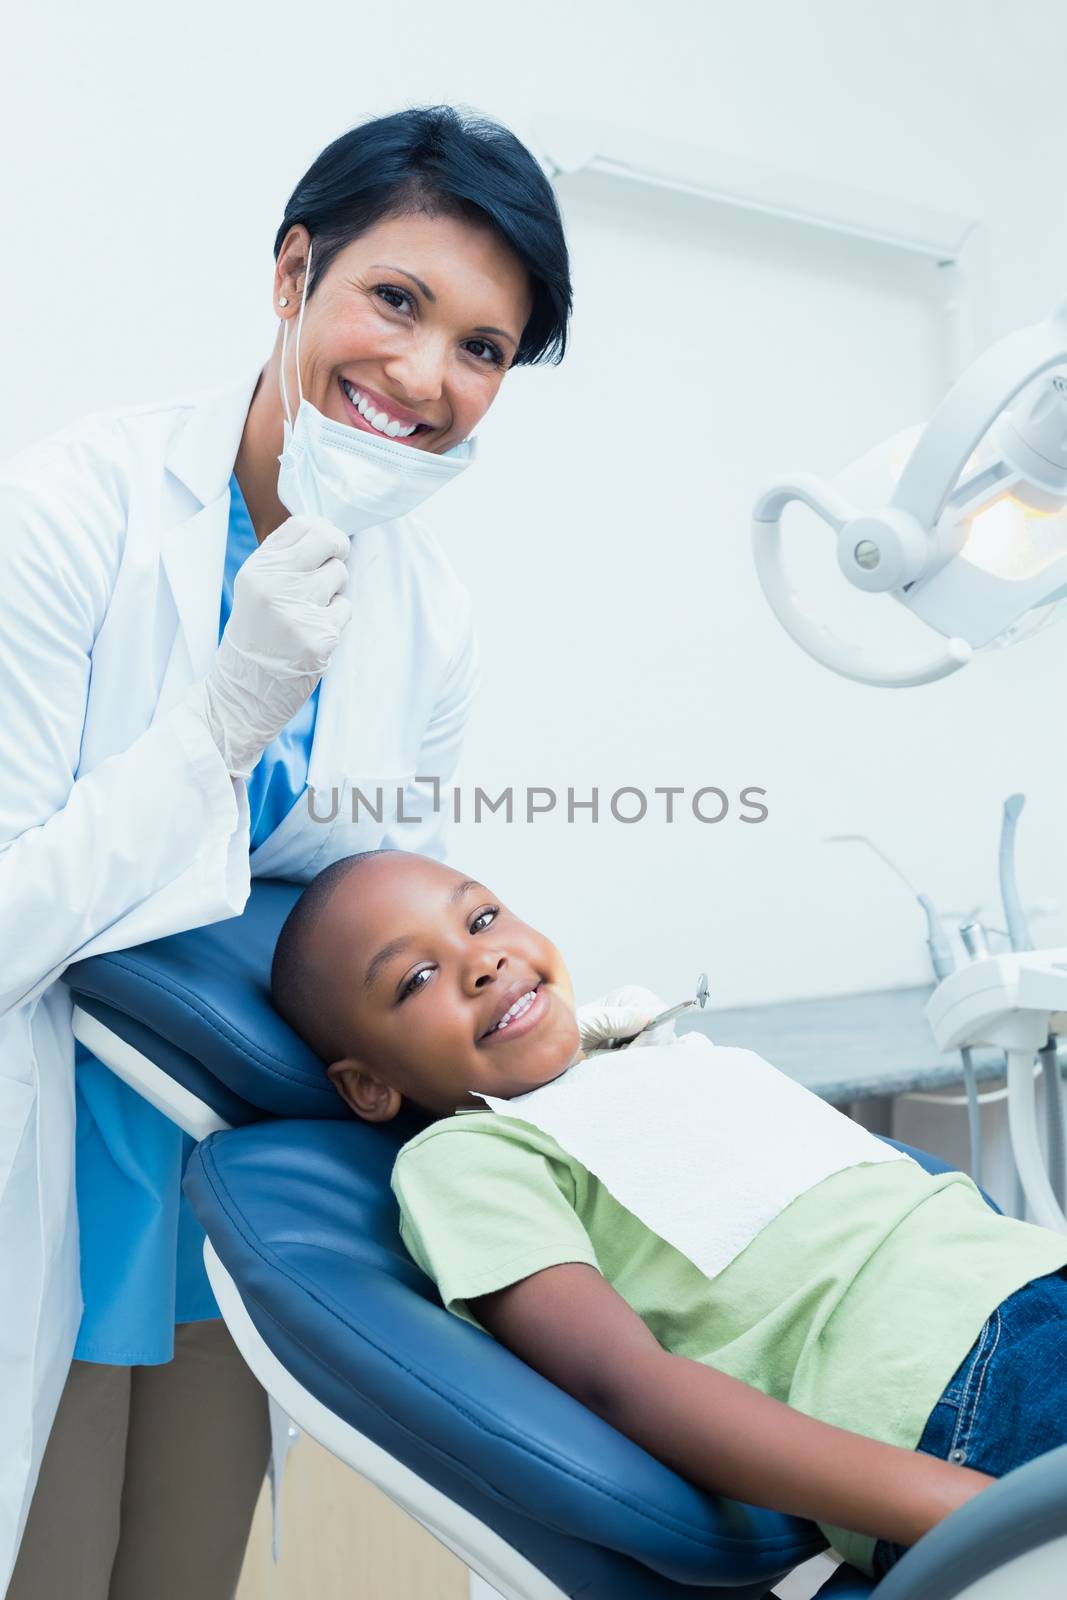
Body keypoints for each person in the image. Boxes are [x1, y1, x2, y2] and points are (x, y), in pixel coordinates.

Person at [0, 105, 571, 1597]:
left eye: (482, 350)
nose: (422, 377)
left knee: (182, 1574)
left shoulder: (427, 608)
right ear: (292, 274)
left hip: (245, 1193)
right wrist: (222, 719)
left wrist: (522, 1013)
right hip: (40, 1160)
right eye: (395, 301)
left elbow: (390, 925)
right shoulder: (73, 513)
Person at [268, 848, 1067, 1583]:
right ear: (368, 1085)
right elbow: (624, 1382)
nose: (482, 963)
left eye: (481, 920)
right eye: (414, 979)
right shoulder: (471, 1154)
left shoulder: (661, 1062)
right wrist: (967, 1514)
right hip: (962, 1386)